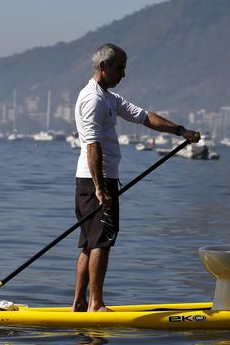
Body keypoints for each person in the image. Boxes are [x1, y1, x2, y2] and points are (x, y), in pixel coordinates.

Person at [73, 43, 200, 312]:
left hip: (96, 179)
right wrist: (100, 189)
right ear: (103, 67)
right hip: (97, 180)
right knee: (101, 242)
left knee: (89, 243)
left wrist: (180, 130)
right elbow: (92, 145)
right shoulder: (93, 99)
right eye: (120, 68)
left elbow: (144, 117)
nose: (124, 74)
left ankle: (79, 304)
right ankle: (95, 304)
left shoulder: (108, 97)